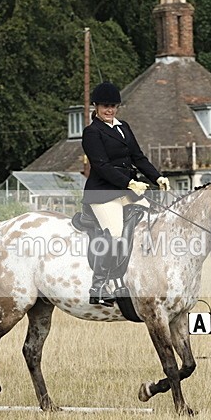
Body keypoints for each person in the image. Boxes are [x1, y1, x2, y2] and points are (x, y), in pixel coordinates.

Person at [81, 81, 170, 306]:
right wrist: (129, 182)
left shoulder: (124, 127)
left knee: (155, 223)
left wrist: (156, 177)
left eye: (113, 106)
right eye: (104, 106)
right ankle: (99, 285)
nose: (109, 110)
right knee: (115, 234)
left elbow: (138, 157)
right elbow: (101, 165)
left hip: (127, 191)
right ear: (96, 106)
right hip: (102, 194)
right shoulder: (92, 132)